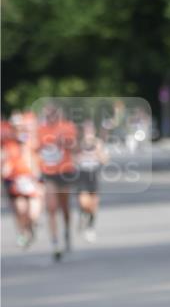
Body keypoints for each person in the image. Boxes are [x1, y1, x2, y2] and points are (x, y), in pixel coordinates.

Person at [36, 104, 78, 261]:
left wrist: (64, 142)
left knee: (65, 207)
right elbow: (35, 149)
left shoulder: (67, 127)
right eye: (47, 114)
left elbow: (75, 147)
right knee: (51, 208)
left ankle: (66, 231)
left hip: (65, 171)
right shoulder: (40, 130)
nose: (50, 117)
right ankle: (55, 243)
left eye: (52, 114)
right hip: (48, 173)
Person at [1, 115, 42, 247]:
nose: (17, 130)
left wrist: (37, 177)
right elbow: (4, 161)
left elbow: (37, 158)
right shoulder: (7, 144)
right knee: (20, 209)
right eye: (15, 127)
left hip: (31, 180)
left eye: (20, 127)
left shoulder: (30, 141)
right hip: (15, 181)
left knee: (33, 214)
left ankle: (30, 227)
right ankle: (23, 232)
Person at [76, 121, 108, 242]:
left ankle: (90, 227)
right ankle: (82, 214)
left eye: (90, 131)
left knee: (93, 206)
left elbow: (105, 160)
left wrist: (98, 152)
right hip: (82, 176)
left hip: (94, 176)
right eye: (86, 131)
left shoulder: (98, 143)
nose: (88, 133)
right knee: (84, 202)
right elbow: (73, 159)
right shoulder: (78, 144)